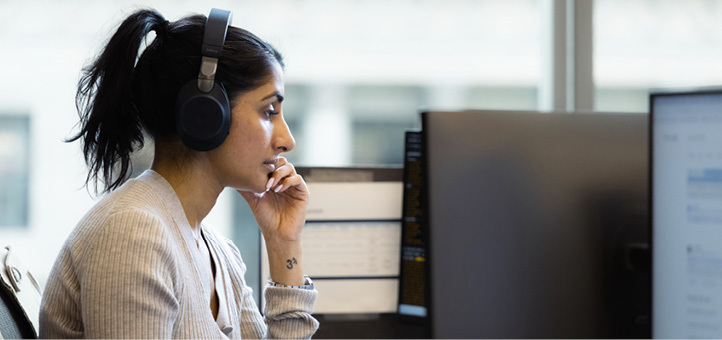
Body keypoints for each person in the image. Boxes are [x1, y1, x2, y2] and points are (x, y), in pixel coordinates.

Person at [39, 8, 318, 339]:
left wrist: (283, 244)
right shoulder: (133, 235)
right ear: (208, 113)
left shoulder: (217, 251)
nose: (287, 141)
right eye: (269, 112)